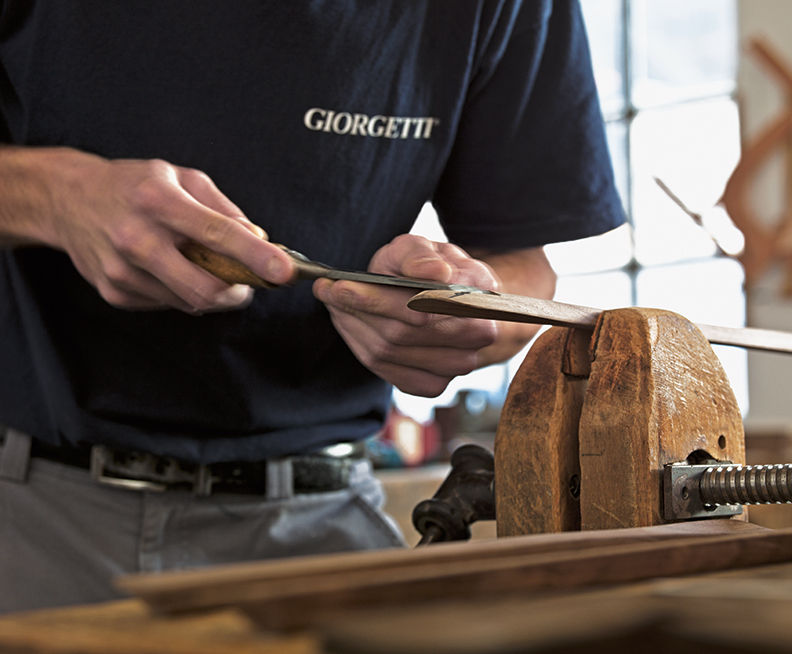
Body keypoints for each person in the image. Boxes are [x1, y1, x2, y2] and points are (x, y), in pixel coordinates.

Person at [0, 0, 625, 613]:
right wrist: (55, 196)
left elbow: (527, 273)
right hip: (31, 514)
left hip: (326, 527)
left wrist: (467, 309)